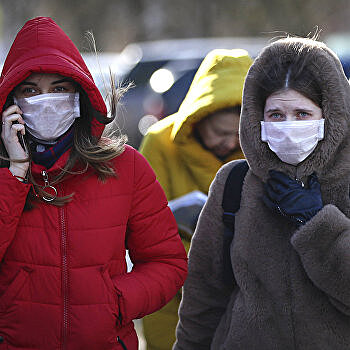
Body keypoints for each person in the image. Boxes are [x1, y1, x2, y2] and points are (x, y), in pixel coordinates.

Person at [0, 17, 187, 350]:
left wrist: (114, 301)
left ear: (78, 97)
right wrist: (15, 172)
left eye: (59, 89)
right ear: (11, 103)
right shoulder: (5, 176)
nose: (46, 101)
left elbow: (167, 263)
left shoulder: (126, 166)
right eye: (31, 91)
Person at [174, 36, 350, 350]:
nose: (288, 126)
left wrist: (317, 225)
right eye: (276, 115)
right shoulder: (234, 182)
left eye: (302, 114)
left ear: (330, 117)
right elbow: (203, 296)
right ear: (258, 119)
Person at [139, 49, 252, 350]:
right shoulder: (160, 142)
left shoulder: (258, 152)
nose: (230, 143)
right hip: (173, 291)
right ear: (198, 117)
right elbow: (144, 230)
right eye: (220, 132)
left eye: (239, 134)